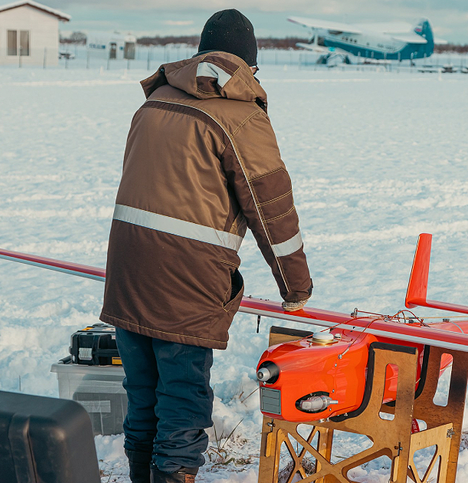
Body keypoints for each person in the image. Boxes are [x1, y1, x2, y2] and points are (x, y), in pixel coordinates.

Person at [99, 9, 313, 483]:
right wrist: (296, 288)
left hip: (128, 267)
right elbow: (272, 210)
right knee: (183, 396)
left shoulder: (154, 103)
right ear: (249, 66)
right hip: (186, 277)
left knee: (143, 392)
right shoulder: (241, 116)